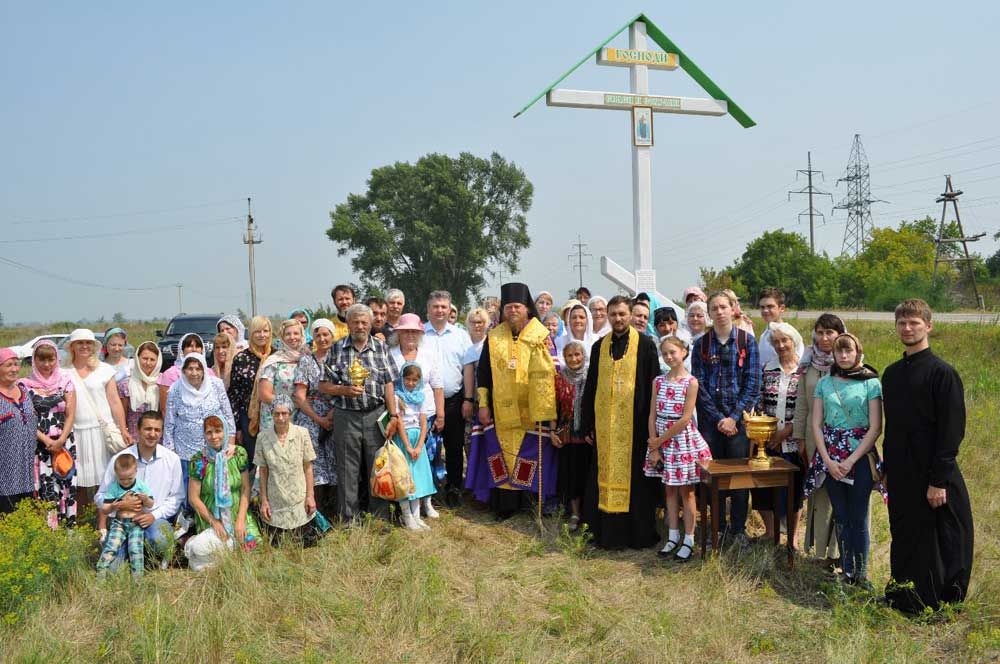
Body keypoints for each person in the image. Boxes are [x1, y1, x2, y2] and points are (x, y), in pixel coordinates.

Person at [882, 299, 974, 613]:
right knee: (904, 533)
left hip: (933, 472)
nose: (907, 328)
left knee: (941, 537)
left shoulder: (942, 373)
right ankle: (904, 596)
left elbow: (951, 432)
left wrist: (939, 480)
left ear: (928, 326)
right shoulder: (891, 374)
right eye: (902, 323)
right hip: (900, 470)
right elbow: (892, 426)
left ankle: (935, 603)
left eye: (914, 323)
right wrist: (886, 466)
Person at [468, 282, 557, 519]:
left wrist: (547, 407)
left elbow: (553, 370)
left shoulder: (542, 335)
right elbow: (483, 372)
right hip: (501, 409)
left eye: (517, 306)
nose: (513, 311)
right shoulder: (494, 336)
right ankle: (505, 506)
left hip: (533, 409)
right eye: (508, 307)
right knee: (503, 455)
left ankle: (530, 502)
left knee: (531, 454)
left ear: (527, 308)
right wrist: (484, 403)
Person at [580, 295, 661, 549]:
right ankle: (605, 534)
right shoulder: (599, 346)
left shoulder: (646, 345)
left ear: (630, 314)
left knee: (636, 480)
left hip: (635, 426)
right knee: (602, 474)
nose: (618, 319)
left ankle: (637, 535)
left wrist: (653, 426)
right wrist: (587, 423)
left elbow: (654, 387)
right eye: (613, 314)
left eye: (622, 314)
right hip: (605, 428)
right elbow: (591, 385)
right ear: (607, 316)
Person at [803, 333, 883, 588]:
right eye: (840, 352)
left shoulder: (871, 383)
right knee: (841, 515)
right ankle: (847, 570)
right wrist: (827, 460)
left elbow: (875, 427)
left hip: (858, 457)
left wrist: (850, 461)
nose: (844, 356)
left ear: (858, 352)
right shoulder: (825, 384)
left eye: (849, 351)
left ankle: (861, 573)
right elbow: (816, 424)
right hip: (830, 457)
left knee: (858, 517)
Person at [691, 292, 760, 548]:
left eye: (723, 307)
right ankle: (716, 528)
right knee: (714, 478)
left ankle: (738, 529)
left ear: (733, 309)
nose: (719, 312)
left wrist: (732, 418)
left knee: (740, 477)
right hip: (711, 423)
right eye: (714, 308)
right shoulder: (701, 345)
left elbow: (753, 384)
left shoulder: (746, 341)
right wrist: (720, 419)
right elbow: (698, 386)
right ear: (709, 313)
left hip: (739, 424)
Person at [322, 303, 400, 521]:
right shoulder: (336, 349)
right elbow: (324, 385)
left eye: (364, 322)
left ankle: (380, 517)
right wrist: (343, 390)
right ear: (347, 324)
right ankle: (349, 519)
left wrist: (393, 415)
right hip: (346, 416)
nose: (360, 326)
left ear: (370, 324)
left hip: (376, 415)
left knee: (379, 467)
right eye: (355, 321)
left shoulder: (381, 348)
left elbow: (389, 385)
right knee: (348, 470)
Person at [644, 335, 711, 561]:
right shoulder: (658, 381)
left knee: (687, 491)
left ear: (683, 352)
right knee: (669, 489)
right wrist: (654, 445)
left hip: (680, 441)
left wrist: (660, 440)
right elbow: (652, 414)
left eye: (673, 352)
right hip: (661, 440)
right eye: (665, 353)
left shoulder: (691, 382)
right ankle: (673, 535)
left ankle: (689, 538)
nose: (670, 356)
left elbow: (684, 419)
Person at [95, 411, 184, 568]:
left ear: (161, 432)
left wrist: (153, 515)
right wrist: (119, 505)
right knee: (112, 570)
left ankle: (148, 557)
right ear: (137, 430)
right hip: (122, 522)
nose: (152, 434)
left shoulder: (171, 460)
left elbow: (176, 497)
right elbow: (100, 496)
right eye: (147, 429)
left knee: (160, 539)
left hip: (154, 520)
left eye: (157, 430)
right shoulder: (120, 459)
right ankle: (128, 553)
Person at [792, 313, 845, 564]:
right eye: (820, 332)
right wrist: (800, 438)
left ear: (840, 334)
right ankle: (821, 552)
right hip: (815, 440)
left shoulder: (848, 362)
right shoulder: (808, 364)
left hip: (844, 441)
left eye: (830, 332)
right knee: (819, 493)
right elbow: (802, 403)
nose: (825, 338)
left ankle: (840, 551)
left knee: (842, 494)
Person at [751, 322, 805, 545]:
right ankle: (770, 533)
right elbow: (760, 403)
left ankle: (791, 538)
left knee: (794, 493)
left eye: (785, 340)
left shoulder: (804, 370)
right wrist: (766, 433)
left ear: (794, 341)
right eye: (776, 342)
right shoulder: (767, 368)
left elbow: (806, 408)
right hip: (768, 442)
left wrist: (786, 432)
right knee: (763, 491)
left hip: (793, 440)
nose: (781, 345)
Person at [66, 328, 132, 512]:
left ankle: (106, 521)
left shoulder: (105, 370)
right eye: (80, 343)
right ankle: (81, 521)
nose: (84, 346)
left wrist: (123, 429)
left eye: (88, 343)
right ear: (72, 346)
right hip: (76, 433)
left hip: (102, 432)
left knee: (105, 479)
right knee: (79, 481)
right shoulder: (65, 372)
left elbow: (115, 402)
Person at [390, 313, 444, 517]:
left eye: (414, 331)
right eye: (406, 332)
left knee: (427, 460)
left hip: (426, 416)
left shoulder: (428, 354)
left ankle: (426, 503)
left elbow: (438, 386)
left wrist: (440, 414)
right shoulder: (390, 354)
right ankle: (406, 505)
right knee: (404, 463)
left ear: (420, 333)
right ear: (399, 334)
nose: (410, 335)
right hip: (401, 418)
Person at [20, 340, 77, 527]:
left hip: (64, 442)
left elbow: (70, 414)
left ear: (56, 359)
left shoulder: (66, 381)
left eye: (51, 359)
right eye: (42, 360)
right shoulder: (24, 386)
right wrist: (45, 439)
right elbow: (26, 417)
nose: (46, 365)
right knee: (45, 488)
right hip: (40, 444)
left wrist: (61, 440)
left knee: (65, 485)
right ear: (34, 360)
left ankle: (68, 530)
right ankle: (50, 531)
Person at [422, 291, 472, 507]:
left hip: (454, 400)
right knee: (426, 448)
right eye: (435, 306)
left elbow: (468, 368)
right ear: (428, 309)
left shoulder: (460, 335)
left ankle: (453, 487)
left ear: (450, 309)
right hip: (425, 403)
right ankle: (427, 490)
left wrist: (468, 399)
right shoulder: (420, 334)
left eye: (444, 307)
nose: (440, 310)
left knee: (454, 447)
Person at [255, 396, 326, 546]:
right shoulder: (262, 437)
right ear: (271, 414)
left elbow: (308, 467)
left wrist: (310, 497)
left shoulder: (302, 433)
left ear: (290, 413)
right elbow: (263, 471)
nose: (280, 418)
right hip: (276, 504)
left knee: (304, 545)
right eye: (276, 413)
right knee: (278, 546)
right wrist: (264, 501)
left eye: (284, 413)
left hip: (299, 502)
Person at [163, 353, 235, 495]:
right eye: (190, 369)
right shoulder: (175, 390)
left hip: (216, 448)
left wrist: (231, 443)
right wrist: (171, 452)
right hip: (186, 452)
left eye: (198, 368)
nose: (194, 373)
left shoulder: (216, 385)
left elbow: (228, 415)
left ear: (204, 370)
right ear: (183, 370)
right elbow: (169, 423)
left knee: (214, 489)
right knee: (190, 493)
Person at [188, 414, 260, 550]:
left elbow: (245, 488)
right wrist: (214, 522)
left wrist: (240, 520)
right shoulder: (198, 461)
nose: (214, 436)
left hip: (238, 511)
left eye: (218, 431)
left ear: (225, 431)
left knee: (253, 548)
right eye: (209, 432)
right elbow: (193, 498)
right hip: (210, 516)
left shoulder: (239, 453)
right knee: (217, 552)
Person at [293, 318, 338, 516]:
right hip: (310, 414)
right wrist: (318, 419)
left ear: (332, 336)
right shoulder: (306, 361)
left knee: (336, 457)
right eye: (318, 335)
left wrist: (331, 414)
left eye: (325, 334)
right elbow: (299, 396)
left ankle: (335, 509)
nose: (322, 338)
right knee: (313, 460)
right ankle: (316, 512)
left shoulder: (340, 359)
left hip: (337, 412)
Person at [552, 340, 592, 531]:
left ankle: (588, 514)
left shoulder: (591, 376)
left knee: (587, 475)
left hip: (587, 436)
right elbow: (553, 408)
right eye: (569, 355)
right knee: (571, 476)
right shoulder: (559, 378)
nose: (574, 359)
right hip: (567, 436)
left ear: (583, 356)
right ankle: (575, 513)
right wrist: (553, 431)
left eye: (577, 355)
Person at [392, 363, 437, 530]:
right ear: (402, 379)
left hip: (418, 438)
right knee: (405, 477)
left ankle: (417, 516)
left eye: (414, 380)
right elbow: (400, 424)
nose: (410, 383)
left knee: (417, 478)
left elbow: (424, 423)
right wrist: (409, 447)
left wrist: (419, 446)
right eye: (407, 379)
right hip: (404, 439)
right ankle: (406, 515)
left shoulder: (420, 397)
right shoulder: (397, 397)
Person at [95, 454, 154, 578]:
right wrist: (112, 507)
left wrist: (146, 499)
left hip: (136, 523)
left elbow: (150, 504)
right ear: (116, 474)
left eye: (130, 478)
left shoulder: (141, 486)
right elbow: (105, 509)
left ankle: (137, 578)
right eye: (122, 479)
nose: (126, 482)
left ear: (136, 471)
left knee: (135, 549)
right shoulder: (114, 487)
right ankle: (100, 572)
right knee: (111, 547)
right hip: (119, 523)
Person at [228, 316, 272, 462]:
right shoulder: (241, 359)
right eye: (257, 331)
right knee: (254, 460)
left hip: (273, 416)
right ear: (251, 333)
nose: (262, 335)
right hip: (248, 417)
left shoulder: (277, 356)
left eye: (265, 331)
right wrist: (238, 428)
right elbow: (234, 395)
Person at [0, 347, 38, 514]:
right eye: (9, 365)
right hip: (4, 469)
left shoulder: (24, 391)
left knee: (27, 512)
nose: (14, 369)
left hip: (28, 467)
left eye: (16, 364)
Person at [257, 319, 307, 432]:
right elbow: (264, 394)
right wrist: (290, 405)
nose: (292, 337)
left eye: (296, 333)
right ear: (282, 337)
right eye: (288, 334)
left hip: (301, 417)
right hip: (276, 417)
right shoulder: (274, 361)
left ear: (302, 335)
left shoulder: (307, 359)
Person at [158, 333, 217, 413]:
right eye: (189, 346)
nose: (194, 349)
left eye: (197, 346)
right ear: (182, 350)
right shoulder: (170, 374)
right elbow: (165, 409)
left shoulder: (209, 372)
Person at [117, 341, 161, 441]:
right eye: (145, 358)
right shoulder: (125, 385)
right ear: (137, 359)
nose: (148, 363)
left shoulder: (161, 384)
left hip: (156, 440)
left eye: (152, 359)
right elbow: (122, 416)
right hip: (132, 440)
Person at [757, 288, 804, 368]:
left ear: (781, 308)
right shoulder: (764, 335)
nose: (765, 310)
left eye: (770, 306)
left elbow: (799, 365)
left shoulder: (790, 334)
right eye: (762, 307)